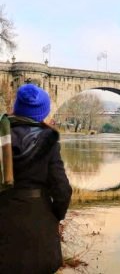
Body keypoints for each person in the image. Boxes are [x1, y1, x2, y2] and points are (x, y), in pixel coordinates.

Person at [0, 83, 72, 273]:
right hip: (38, 223)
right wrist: (55, 216)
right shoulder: (48, 139)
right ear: (42, 114)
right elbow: (62, 190)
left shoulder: (1, 137)